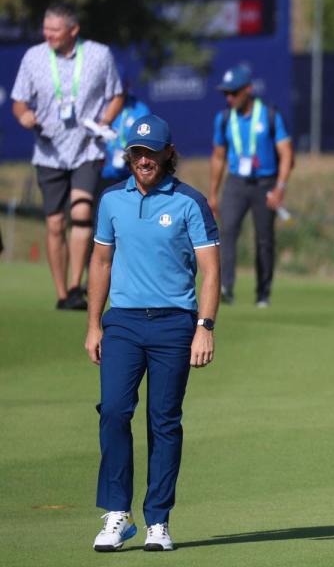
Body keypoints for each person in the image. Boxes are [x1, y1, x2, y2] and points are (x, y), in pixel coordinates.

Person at [85, 114, 220, 552]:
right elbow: (101, 263)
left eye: (152, 152)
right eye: (137, 153)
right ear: (129, 155)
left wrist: (205, 327)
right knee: (114, 412)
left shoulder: (189, 202)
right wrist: (93, 325)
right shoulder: (111, 201)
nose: (144, 160)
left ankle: (157, 520)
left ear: (168, 153)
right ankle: (117, 514)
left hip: (174, 323)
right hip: (122, 321)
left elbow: (211, 270)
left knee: (164, 422)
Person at [11, 1, 124, 310]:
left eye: (55, 30)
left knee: (82, 213)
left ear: (73, 30)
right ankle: (62, 292)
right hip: (48, 152)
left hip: (87, 147)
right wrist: (24, 116)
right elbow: (19, 101)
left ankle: (76, 286)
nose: (48, 35)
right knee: (55, 223)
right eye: (45, 29)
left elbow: (116, 95)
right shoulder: (33, 57)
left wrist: (104, 122)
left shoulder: (99, 55)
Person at [209, 64, 293, 307]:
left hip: (265, 182)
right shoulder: (224, 119)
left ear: (248, 89)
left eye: (233, 92)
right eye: (226, 93)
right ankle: (225, 287)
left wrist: (280, 187)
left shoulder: (269, 115)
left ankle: (263, 293)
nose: (229, 98)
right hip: (236, 182)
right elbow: (218, 156)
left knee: (264, 239)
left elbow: (286, 154)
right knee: (227, 232)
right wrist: (213, 192)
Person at [99, 70, 151, 191]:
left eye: (120, 88)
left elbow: (146, 142)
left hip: (131, 174)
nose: (117, 92)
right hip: (102, 173)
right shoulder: (99, 107)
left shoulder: (140, 110)